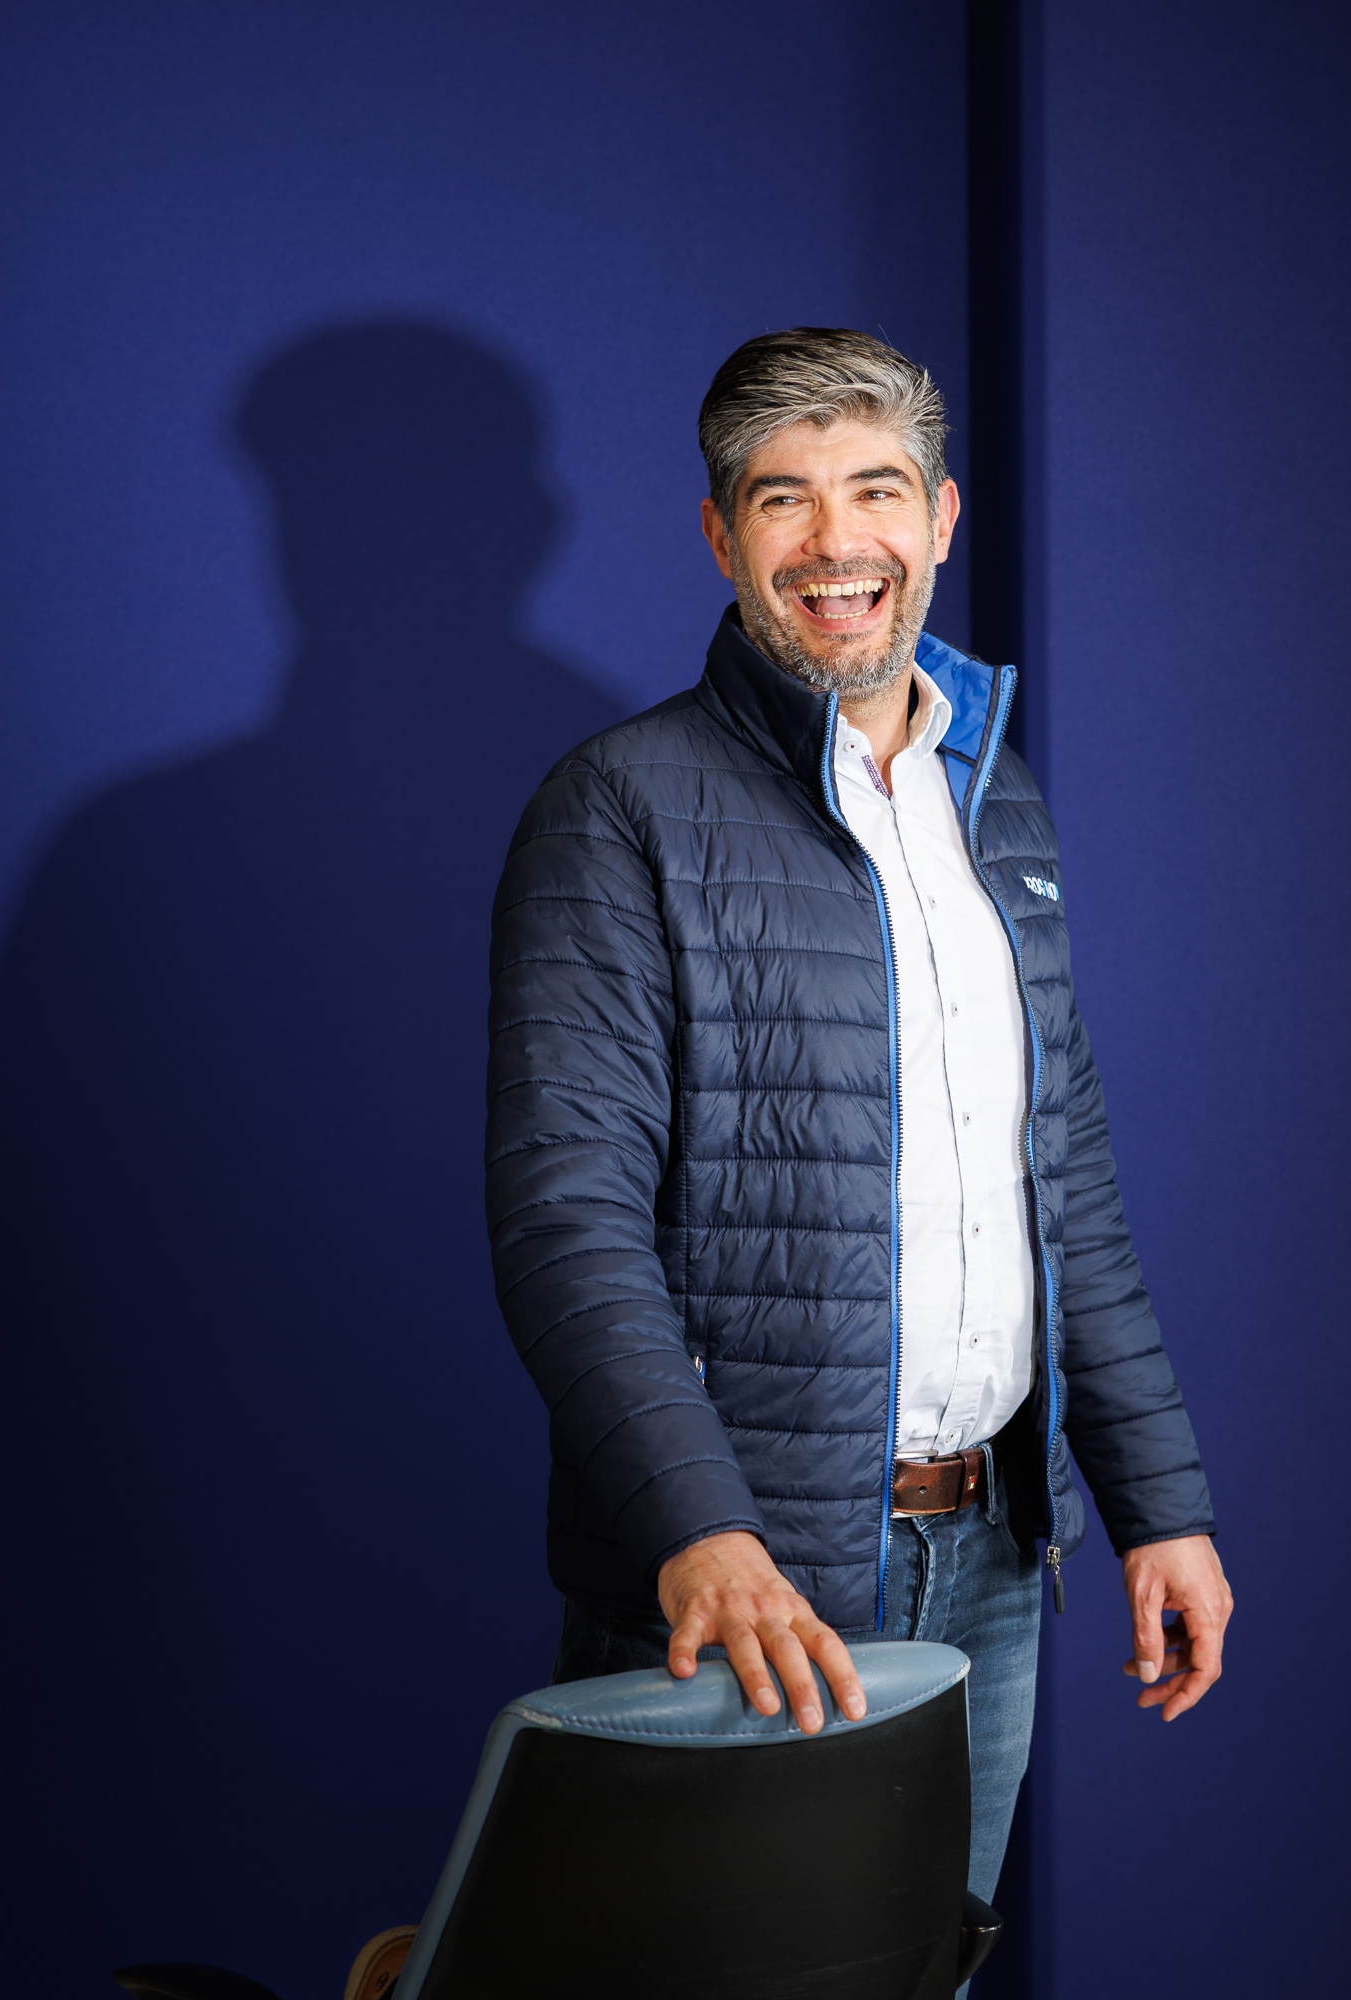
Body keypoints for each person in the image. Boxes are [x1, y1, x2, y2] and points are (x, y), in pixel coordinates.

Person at [485, 327, 1232, 1913]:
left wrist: (1158, 1504)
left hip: (990, 1559)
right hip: (747, 1578)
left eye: (876, 491)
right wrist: (698, 1528)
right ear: (720, 534)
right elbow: (567, 1219)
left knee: (912, 1971)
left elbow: (1061, 1182)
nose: (836, 544)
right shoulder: (618, 805)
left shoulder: (993, 799)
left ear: (940, 517)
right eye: (784, 499)